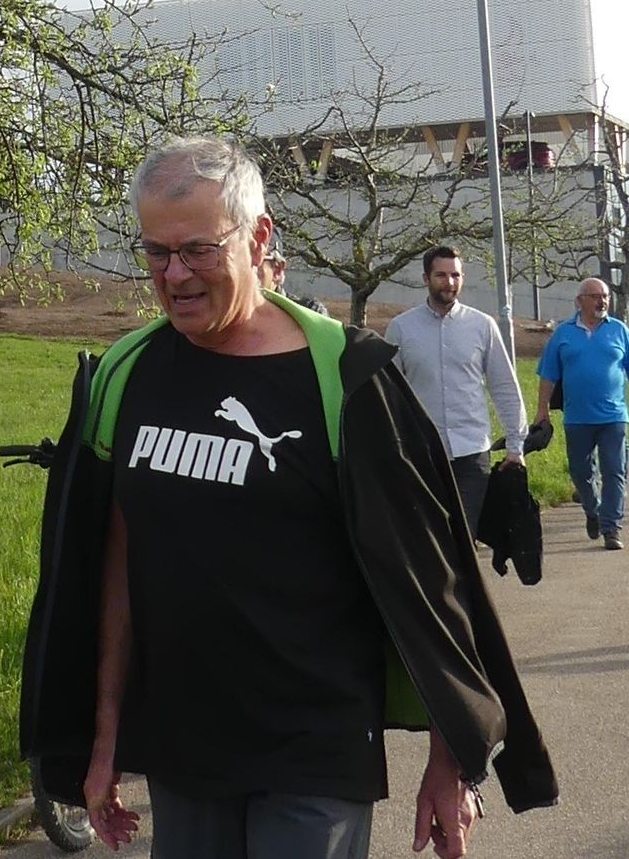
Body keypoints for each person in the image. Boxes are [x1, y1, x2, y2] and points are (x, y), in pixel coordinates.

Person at [47, 136, 553, 859]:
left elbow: (426, 579)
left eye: (197, 249)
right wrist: (103, 738)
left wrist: (452, 756)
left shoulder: (343, 375)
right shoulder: (130, 373)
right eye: (156, 252)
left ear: (257, 237)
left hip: (316, 744)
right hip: (185, 743)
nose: (175, 275)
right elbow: (115, 569)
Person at [382, 247, 528, 535]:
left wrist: (515, 444)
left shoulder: (482, 326)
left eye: (455, 275)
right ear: (426, 278)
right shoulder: (401, 328)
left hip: (471, 451)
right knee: (429, 537)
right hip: (422, 452)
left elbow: (504, 386)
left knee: (464, 536)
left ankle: (463, 580)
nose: (449, 282)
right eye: (441, 275)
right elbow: (389, 396)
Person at [535, 278, 629, 550]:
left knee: (615, 471)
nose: (602, 301)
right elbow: (547, 376)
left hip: (614, 417)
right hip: (577, 418)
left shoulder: (619, 331)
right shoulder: (563, 334)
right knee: (580, 472)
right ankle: (592, 509)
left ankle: (612, 528)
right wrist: (542, 410)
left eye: (606, 296)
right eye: (596, 296)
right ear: (580, 301)